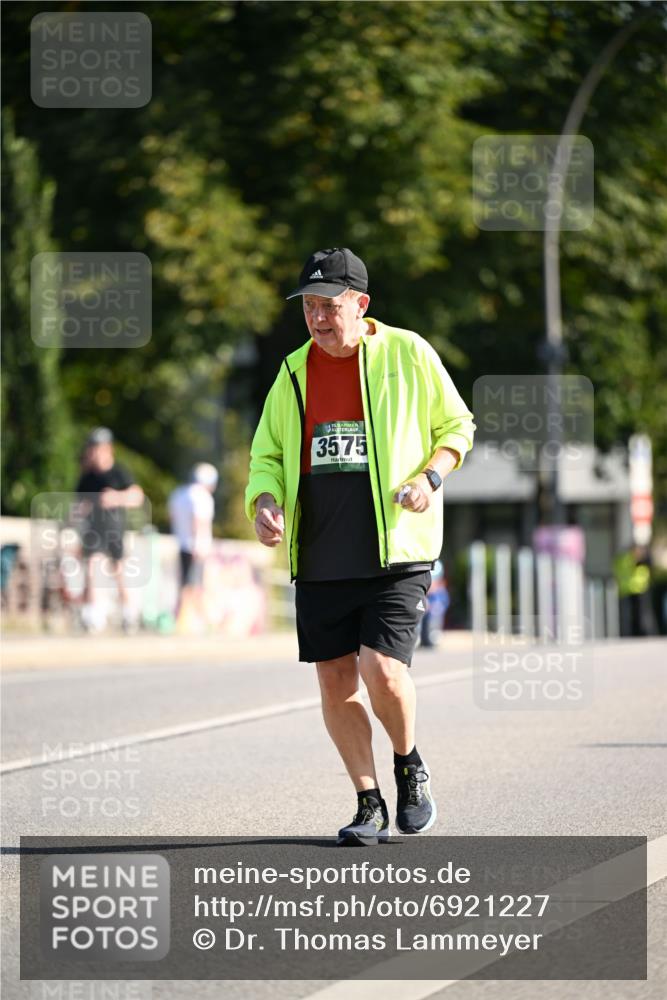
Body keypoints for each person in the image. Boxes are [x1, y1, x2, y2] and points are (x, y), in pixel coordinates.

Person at [245, 248, 474, 845]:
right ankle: (368, 801)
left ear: (361, 304)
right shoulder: (293, 372)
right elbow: (266, 454)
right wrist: (264, 500)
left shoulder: (408, 353)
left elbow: (457, 426)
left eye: (329, 305)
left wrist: (428, 479)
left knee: (383, 672)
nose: (318, 318)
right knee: (335, 683)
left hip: (396, 547)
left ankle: (409, 763)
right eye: (310, 307)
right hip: (321, 552)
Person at [75, 427, 145, 632]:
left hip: (114, 530)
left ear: (107, 449)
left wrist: (116, 498)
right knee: (92, 570)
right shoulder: (87, 477)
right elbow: (77, 505)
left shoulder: (119, 472)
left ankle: (128, 615)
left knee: (120, 573)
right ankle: (94, 616)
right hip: (93, 531)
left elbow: (137, 496)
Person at [168, 463, 218, 616]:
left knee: (184, 584)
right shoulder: (202, 496)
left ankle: (180, 618)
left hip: (182, 544)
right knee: (196, 586)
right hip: (196, 546)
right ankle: (200, 620)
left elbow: (172, 518)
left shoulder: (178, 494)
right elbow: (199, 521)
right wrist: (199, 544)